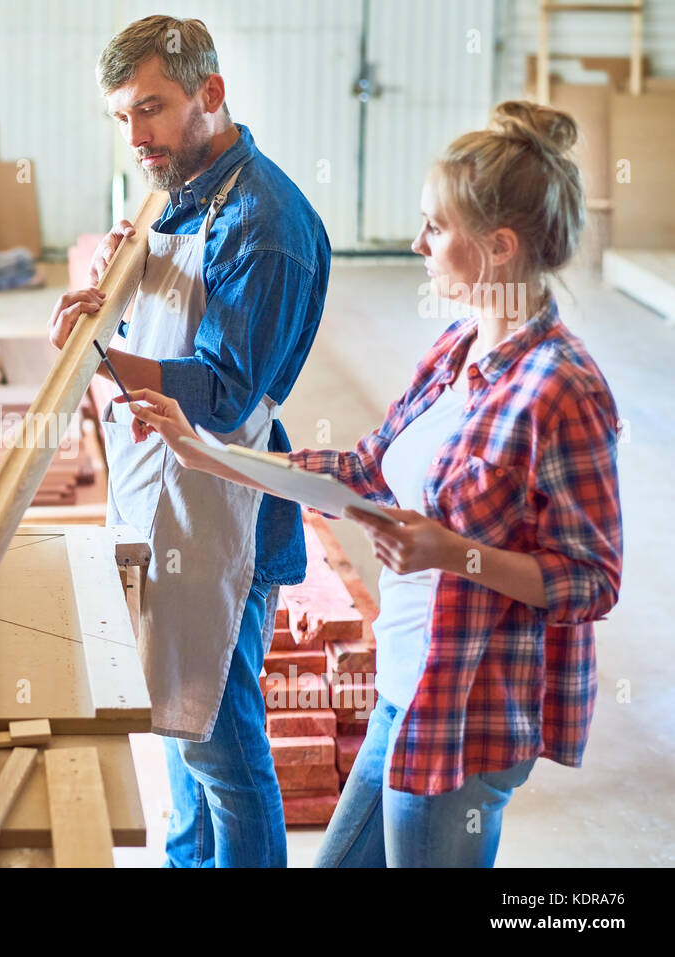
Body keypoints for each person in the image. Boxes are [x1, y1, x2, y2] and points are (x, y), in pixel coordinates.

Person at [117, 100, 624, 867]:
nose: (416, 243)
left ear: (499, 247)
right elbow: (362, 472)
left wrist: (454, 554)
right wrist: (204, 452)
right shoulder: (455, 350)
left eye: (435, 227)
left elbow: (591, 581)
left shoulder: (563, 389)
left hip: (466, 714)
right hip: (404, 691)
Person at [48, 16, 330, 867]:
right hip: (160, 500)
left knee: (221, 744)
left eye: (152, 110)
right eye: (123, 119)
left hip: (220, 518)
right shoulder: (181, 185)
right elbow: (158, 308)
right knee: (172, 718)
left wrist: (104, 358)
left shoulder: (263, 224)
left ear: (211, 94)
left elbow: (223, 391)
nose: (137, 138)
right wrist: (109, 298)